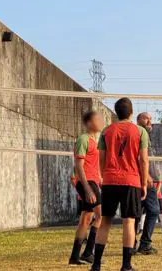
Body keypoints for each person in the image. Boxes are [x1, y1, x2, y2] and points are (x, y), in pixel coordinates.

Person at [92, 98, 149, 271]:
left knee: (105, 222)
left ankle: (96, 265)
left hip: (110, 180)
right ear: (131, 112)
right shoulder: (140, 132)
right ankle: (126, 266)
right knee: (129, 222)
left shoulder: (107, 131)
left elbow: (100, 157)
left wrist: (103, 175)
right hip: (131, 181)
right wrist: (144, 183)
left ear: (117, 112)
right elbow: (144, 160)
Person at [68, 111, 104, 265]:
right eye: (98, 119)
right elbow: (78, 165)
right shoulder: (83, 139)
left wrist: (100, 179)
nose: (101, 121)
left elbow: (93, 164)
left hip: (93, 182)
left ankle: (75, 257)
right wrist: (87, 189)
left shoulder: (93, 141)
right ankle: (88, 253)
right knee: (101, 216)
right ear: (89, 123)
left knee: (86, 219)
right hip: (87, 182)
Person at [134, 111, 160, 254]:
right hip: (142, 180)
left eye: (151, 119)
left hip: (144, 180)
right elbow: (138, 157)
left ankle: (133, 245)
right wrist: (147, 176)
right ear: (138, 120)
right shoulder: (139, 133)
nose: (149, 121)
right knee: (153, 211)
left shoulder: (146, 135)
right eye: (146, 118)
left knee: (136, 213)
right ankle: (143, 244)